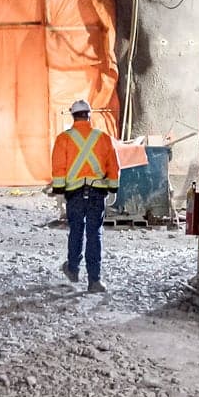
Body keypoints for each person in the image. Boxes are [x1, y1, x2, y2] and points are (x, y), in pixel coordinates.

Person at [50, 100, 118, 293]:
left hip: (75, 194)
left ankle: (73, 269)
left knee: (76, 231)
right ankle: (94, 281)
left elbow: (58, 167)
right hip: (97, 193)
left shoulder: (63, 139)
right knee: (94, 234)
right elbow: (113, 166)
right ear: (89, 115)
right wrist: (113, 189)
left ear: (73, 116)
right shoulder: (103, 138)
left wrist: (60, 191)